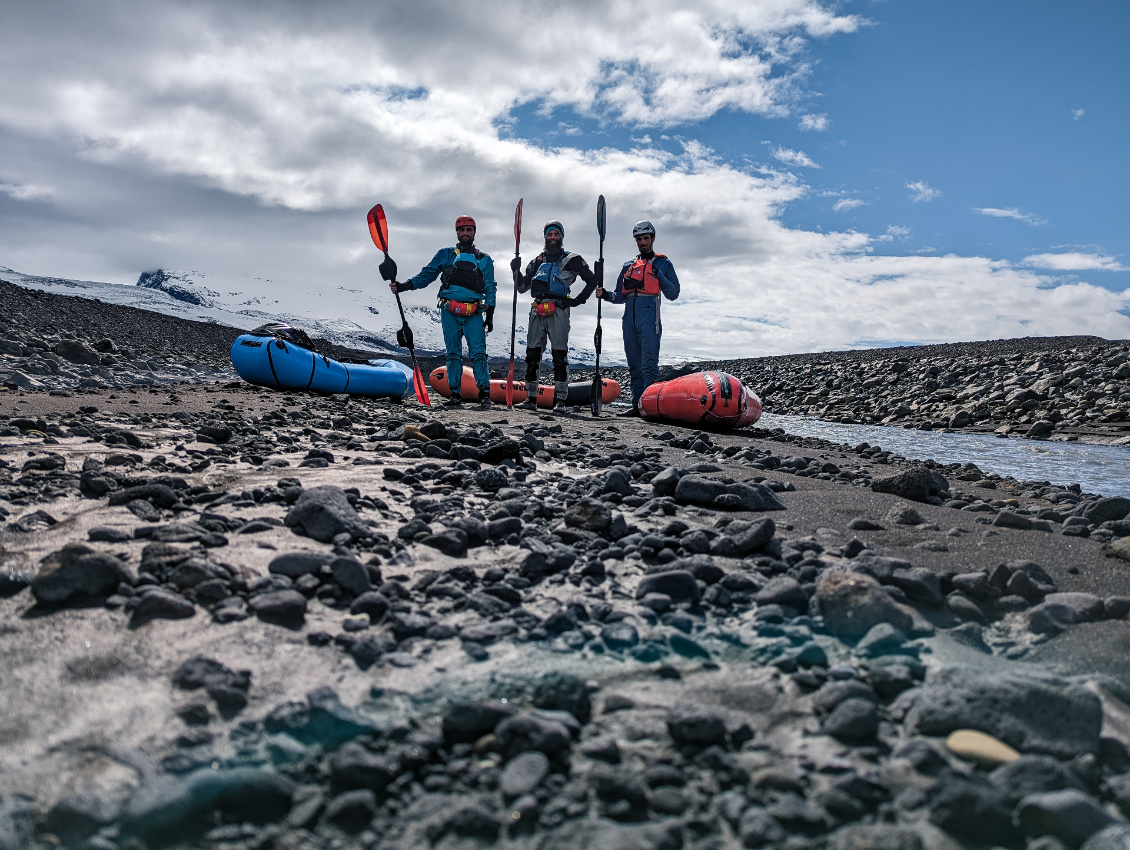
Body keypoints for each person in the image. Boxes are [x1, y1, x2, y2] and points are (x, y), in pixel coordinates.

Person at [389, 215, 496, 409]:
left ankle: (484, 394)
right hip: (449, 310)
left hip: (474, 312)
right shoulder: (445, 255)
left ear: (474, 232)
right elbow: (427, 275)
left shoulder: (484, 260)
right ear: (457, 232)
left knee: (479, 354)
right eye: (462, 230)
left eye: (469, 230)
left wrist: (490, 315)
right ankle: (455, 393)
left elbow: (490, 287)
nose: (465, 233)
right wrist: (404, 286)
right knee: (453, 353)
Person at [511, 220, 601, 412]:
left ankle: (561, 400)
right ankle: (531, 398)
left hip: (559, 308)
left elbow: (592, 280)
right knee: (532, 354)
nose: (553, 238)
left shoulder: (572, 259)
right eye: (549, 235)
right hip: (537, 309)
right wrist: (515, 271)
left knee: (559, 354)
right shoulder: (536, 261)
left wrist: (576, 301)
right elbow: (521, 288)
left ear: (562, 237)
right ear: (545, 237)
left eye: (556, 234)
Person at [596, 220, 680, 416]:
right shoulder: (629, 265)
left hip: (650, 315)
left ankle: (650, 407)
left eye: (645, 238)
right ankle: (636, 406)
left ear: (652, 239)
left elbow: (673, 293)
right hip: (629, 317)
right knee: (634, 364)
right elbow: (620, 295)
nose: (642, 242)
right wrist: (606, 294)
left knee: (648, 363)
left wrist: (659, 275)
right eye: (639, 239)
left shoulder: (663, 263)